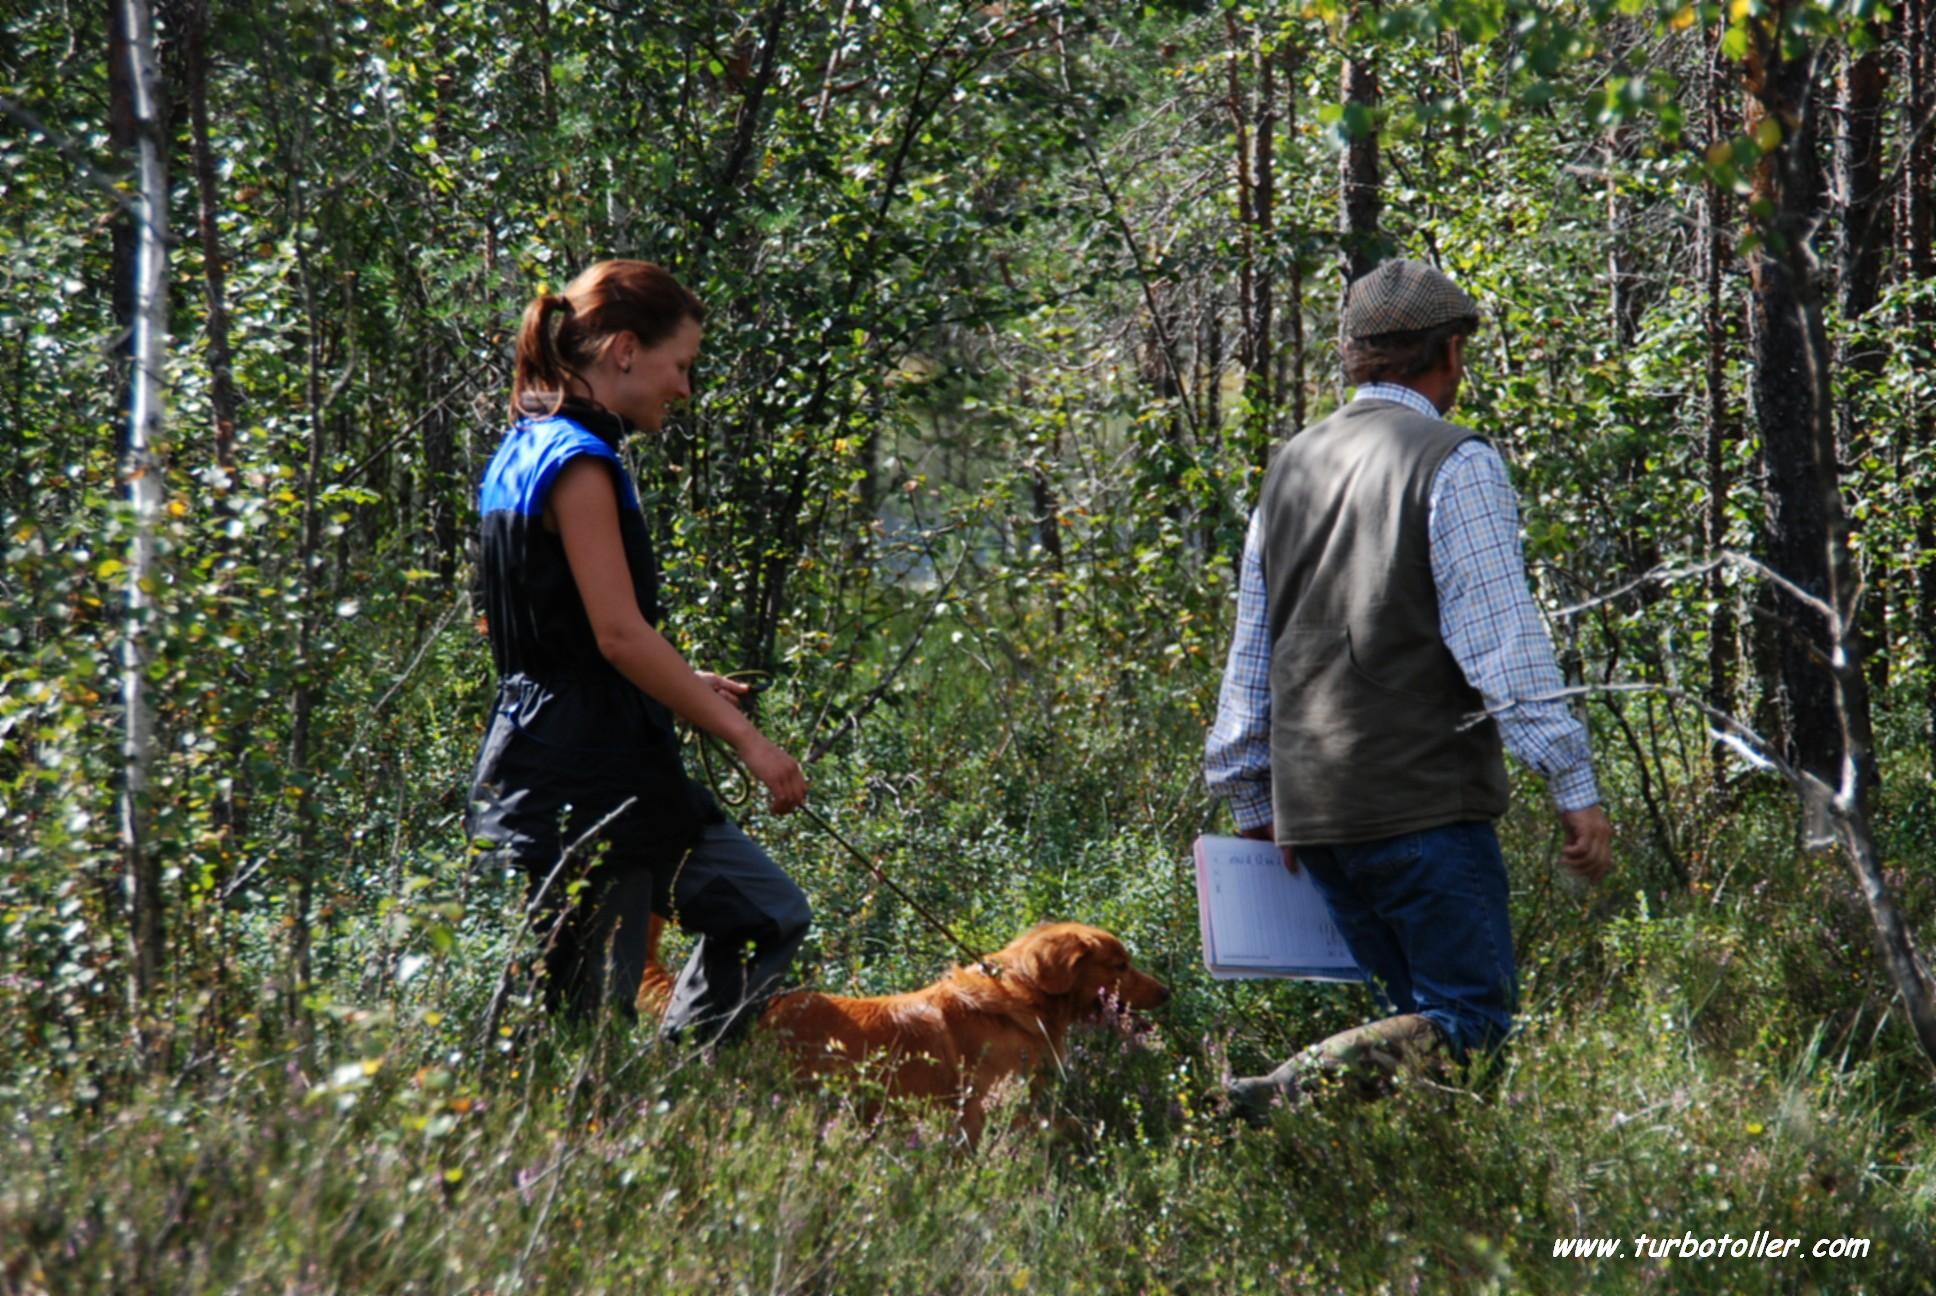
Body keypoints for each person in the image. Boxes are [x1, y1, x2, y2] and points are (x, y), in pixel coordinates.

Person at [1204, 259, 1614, 1118]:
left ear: (1355, 356)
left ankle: (1414, 1215)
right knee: (1472, 1027)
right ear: (1450, 353)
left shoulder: (1290, 466)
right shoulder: (1453, 462)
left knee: (1413, 1035)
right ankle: (1285, 1094)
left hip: (1315, 817)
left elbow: (1253, 652)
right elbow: (1502, 641)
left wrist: (1251, 795)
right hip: (1422, 806)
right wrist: (1572, 781)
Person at [467, 258, 811, 1043]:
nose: (684, 388)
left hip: (579, 751)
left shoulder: (527, 445)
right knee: (582, 1019)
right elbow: (619, 636)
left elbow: (572, 633)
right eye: (680, 365)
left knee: (767, 912)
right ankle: (597, 1135)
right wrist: (752, 745)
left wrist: (681, 681)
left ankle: (676, 1096)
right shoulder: (579, 462)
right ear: (625, 350)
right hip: (583, 777)